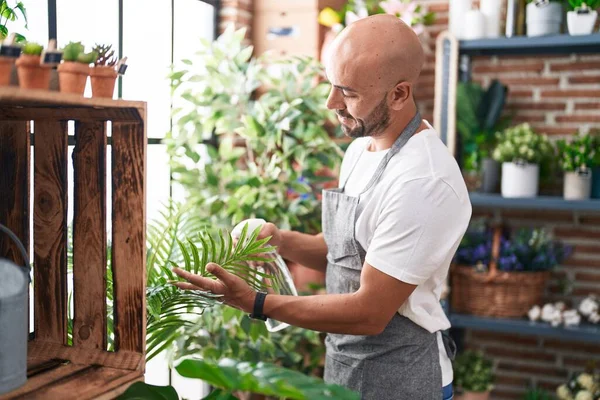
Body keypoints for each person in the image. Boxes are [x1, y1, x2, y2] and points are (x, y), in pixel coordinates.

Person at [173, 14, 472, 400]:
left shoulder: (423, 181)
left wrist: (257, 303)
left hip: (400, 380)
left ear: (399, 94)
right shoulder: (360, 149)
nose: (331, 102)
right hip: (345, 367)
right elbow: (345, 253)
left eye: (348, 92)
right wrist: (281, 240)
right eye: (332, 84)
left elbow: (369, 311)